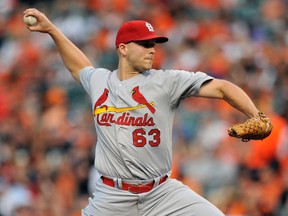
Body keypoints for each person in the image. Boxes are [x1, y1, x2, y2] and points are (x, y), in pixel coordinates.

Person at [23, 8, 262, 216]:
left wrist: (255, 114)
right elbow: (78, 65)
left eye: (153, 44)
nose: (152, 49)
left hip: (161, 192)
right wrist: (52, 30)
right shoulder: (100, 81)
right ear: (123, 49)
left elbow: (221, 87)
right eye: (145, 44)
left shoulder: (167, 81)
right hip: (112, 197)